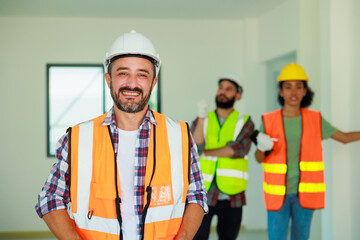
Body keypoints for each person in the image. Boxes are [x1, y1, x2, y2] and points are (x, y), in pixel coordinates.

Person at [35, 30, 208, 240]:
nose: (132, 84)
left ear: (153, 83)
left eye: (142, 74)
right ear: (109, 79)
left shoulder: (179, 135)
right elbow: (50, 198)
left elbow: (197, 195)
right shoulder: (78, 138)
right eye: (123, 73)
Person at [254, 62, 360, 240]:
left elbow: (345, 138)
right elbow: (259, 158)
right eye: (288, 87)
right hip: (277, 194)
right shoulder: (268, 121)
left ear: (304, 91)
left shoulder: (315, 119)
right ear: (281, 91)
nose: (293, 92)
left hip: (304, 195)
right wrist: (261, 147)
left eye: (298, 87)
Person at [192, 73, 254, 240]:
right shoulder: (204, 118)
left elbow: (237, 150)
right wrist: (201, 117)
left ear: (237, 95)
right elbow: (195, 145)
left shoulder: (244, 121)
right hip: (203, 193)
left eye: (228, 89)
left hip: (232, 195)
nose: (222, 92)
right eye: (221, 88)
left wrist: (206, 151)